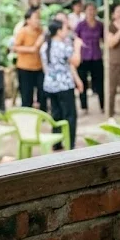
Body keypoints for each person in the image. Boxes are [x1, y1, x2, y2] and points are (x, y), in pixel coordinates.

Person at [40, 19, 83, 150]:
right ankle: (70, 143)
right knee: (70, 115)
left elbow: (45, 67)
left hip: (50, 84)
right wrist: (77, 47)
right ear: (58, 31)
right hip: (64, 85)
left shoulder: (44, 46)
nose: (67, 32)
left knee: (56, 113)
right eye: (65, 29)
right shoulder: (63, 46)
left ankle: (57, 141)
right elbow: (75, 62)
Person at [74, 2, 105, 113]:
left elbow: (104, 38)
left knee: (100, 82)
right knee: (83, 83)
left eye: (93, 9)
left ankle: (103, 105)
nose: (91, 12)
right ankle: (84, 107)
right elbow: (75, 38)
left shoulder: (100, 25)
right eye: (89, 10)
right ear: (85, 11)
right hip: (83, 57)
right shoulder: (80, 25)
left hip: (96, 56)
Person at [12, 10, 46, 110]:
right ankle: (27, 115)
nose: (37, 21)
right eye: (35, 18)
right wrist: (32, 49)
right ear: (28, 20)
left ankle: (43, 113)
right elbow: (15, 47)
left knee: (42, 92)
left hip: (39, 67)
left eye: (38, 18)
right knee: (27, 94)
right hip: (25, 68)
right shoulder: (23, 31)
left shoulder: (40, 31)